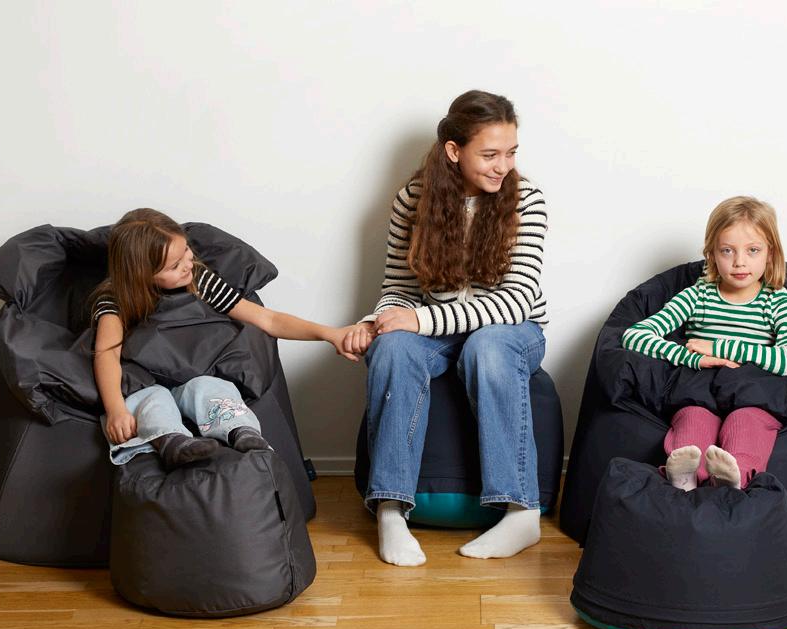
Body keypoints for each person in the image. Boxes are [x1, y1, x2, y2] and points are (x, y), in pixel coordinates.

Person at [342, 90, 549, 566]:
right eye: (490, 154)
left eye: (511, 152)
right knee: (392, 348)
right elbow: (398, 288)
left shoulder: (527, 200)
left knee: (486, 347)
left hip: (511, 332)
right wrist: (379, 321)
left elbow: (515, 302)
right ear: (454, 151)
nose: (504, 166)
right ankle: (391, 509)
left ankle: (521, 511)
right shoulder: (412, 200)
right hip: (438, 331)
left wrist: (419, 319)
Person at [92, 208, 370, 470]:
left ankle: (241, 431)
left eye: (186, 250)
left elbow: (268, 320)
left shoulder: (199, 280)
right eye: (175, 265)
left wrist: (329, 334)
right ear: (142, 275)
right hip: (147, 381)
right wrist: (115, 409)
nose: (188, 263)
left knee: (211, 388)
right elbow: (107, 353)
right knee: (151, 400)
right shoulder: (115, 300)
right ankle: (173, 442)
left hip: (194, 373)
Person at [622, 196, 787, 491]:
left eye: (753, 250)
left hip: (752, 395)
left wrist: (718, 347)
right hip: (701, 392)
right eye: (727, 250)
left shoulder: (777, 301)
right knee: (693, 420)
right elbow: (634, 336)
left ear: (770, 254)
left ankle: (733, 477)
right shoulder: (698, 296)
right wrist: (692, 357)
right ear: (711, 254)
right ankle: (685, 477)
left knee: (747, 423)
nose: (739, 261)